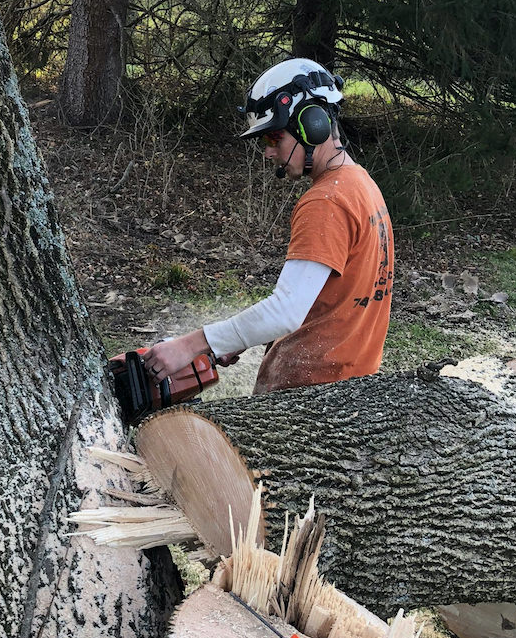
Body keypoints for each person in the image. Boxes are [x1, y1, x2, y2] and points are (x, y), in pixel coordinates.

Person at [143, 57, 393, 394]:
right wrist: (244, 336)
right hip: (349, 390)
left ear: (312, 124)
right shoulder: (361, 185)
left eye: (274, 138)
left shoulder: (327, 202)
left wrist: (189, 345)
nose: (268, 152)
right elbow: (333, 298)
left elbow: (287, 310)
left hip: (306, 398)